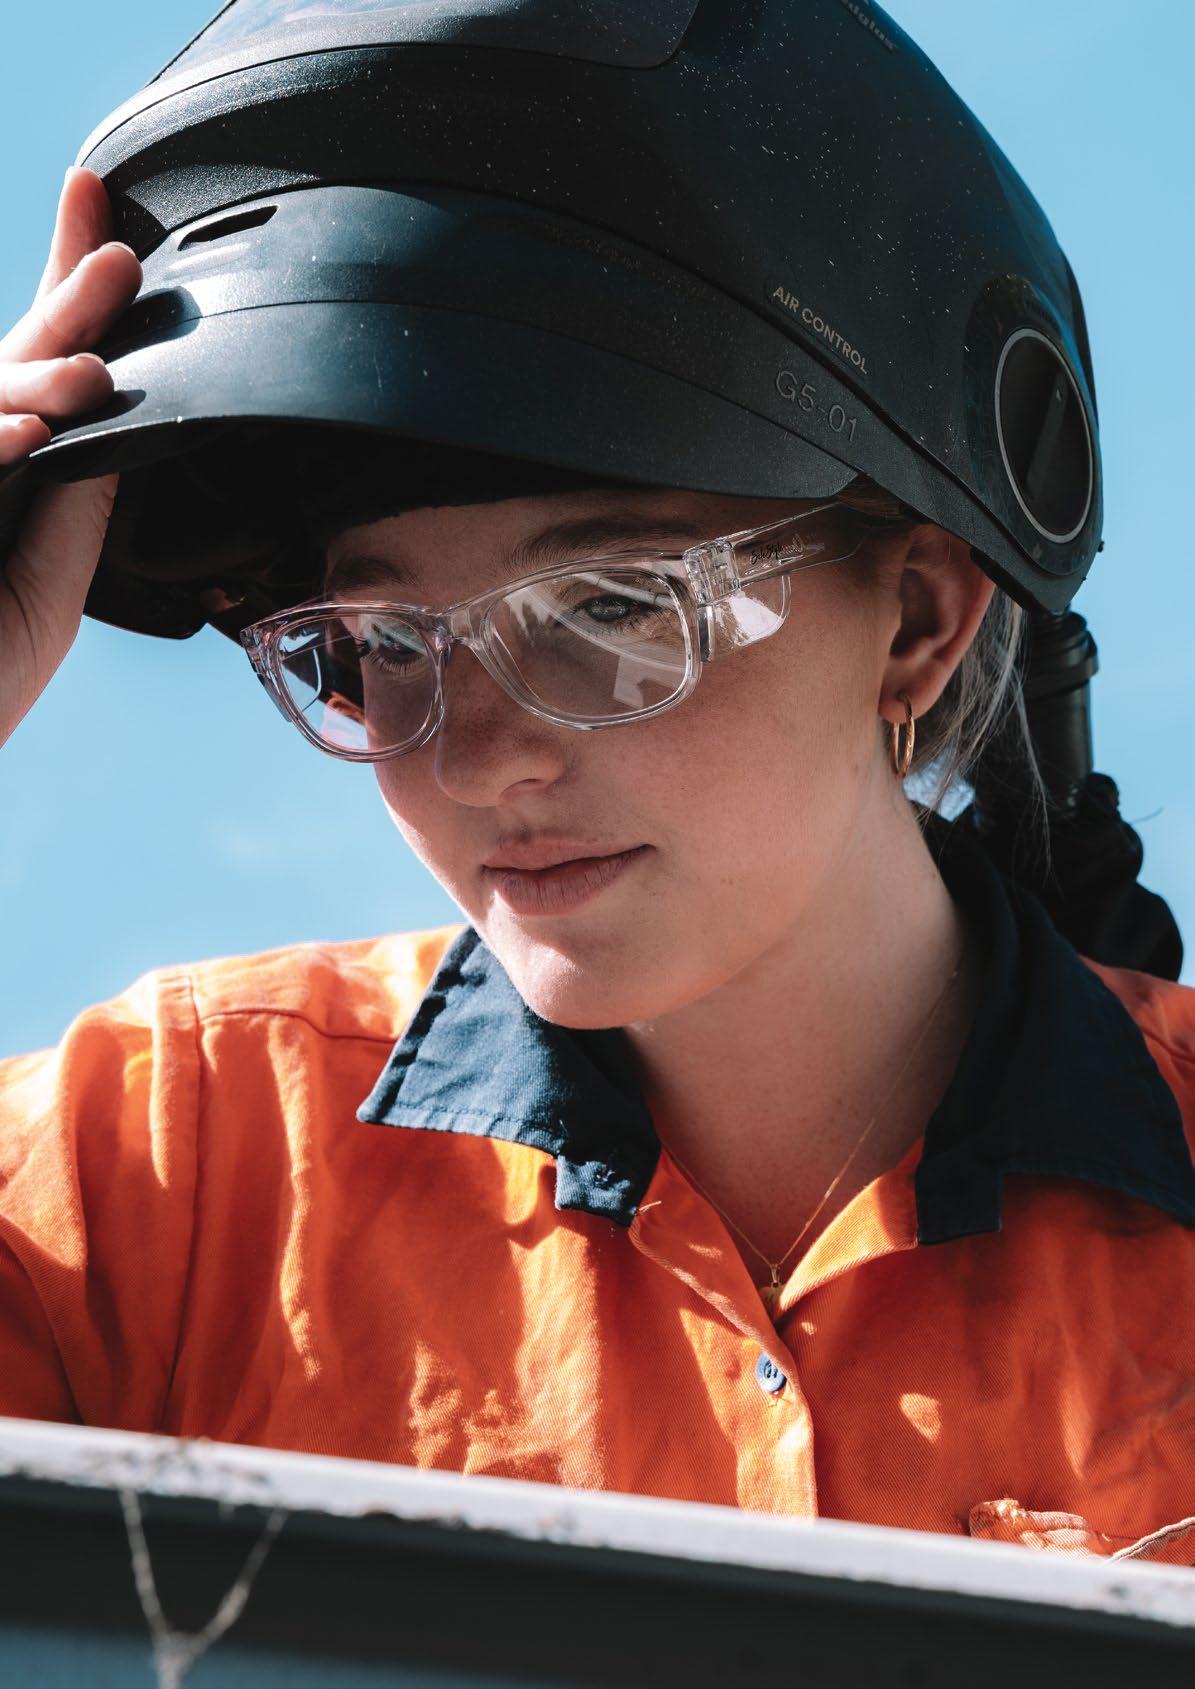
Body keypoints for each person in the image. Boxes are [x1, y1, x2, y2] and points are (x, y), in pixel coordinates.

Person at [1, 144, 1193, 1568]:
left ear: (920, 619)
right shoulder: (164, 1172)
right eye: (385, 643)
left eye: (613, 605)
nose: (478, 757)